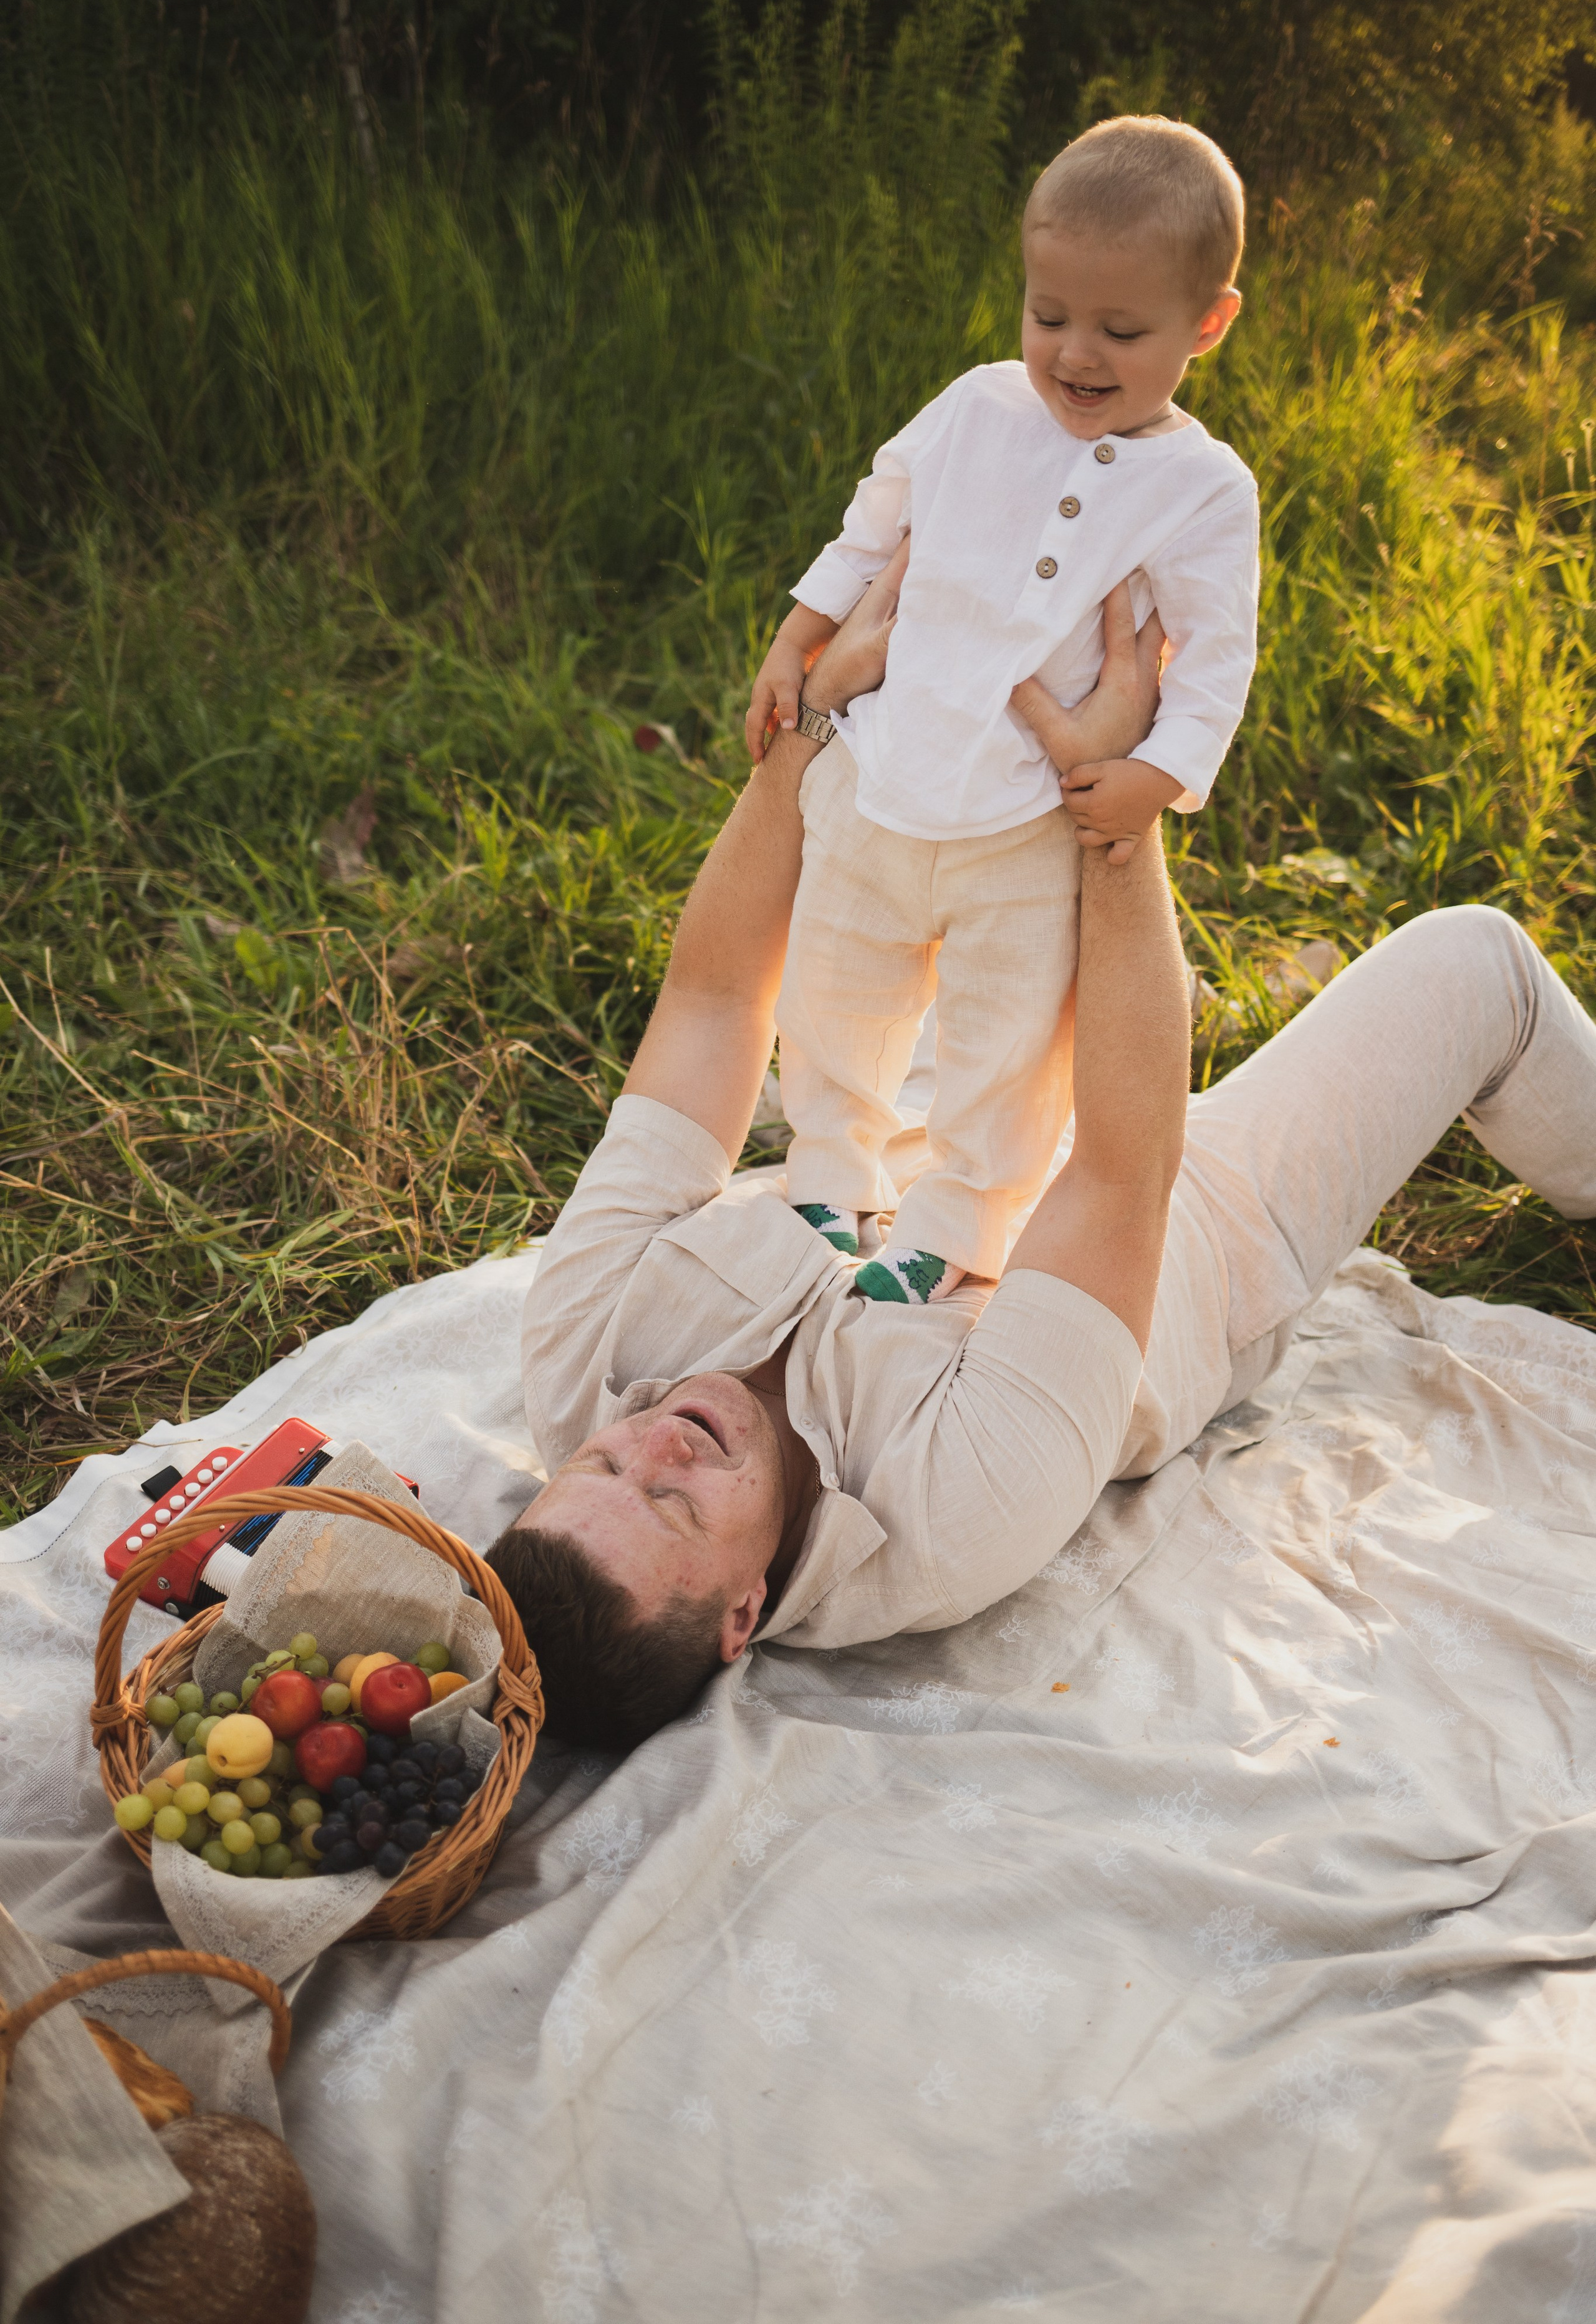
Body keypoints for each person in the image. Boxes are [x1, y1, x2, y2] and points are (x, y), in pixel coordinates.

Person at [486, 552, 1596, 1749]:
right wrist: (1114, 806)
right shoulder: (949, 1514)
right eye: (674, 1504)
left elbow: (708, 1008)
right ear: (743, 1614)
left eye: (600, 1470)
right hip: (1181, 1235)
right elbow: (1121, 1166)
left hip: (905, 1128)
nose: (656, 1440)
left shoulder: (575, 1362)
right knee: (1477, 963)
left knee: (922, 781)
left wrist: (810, 714)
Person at [745, 115, 1259, 1305]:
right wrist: (798, 635)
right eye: (1048, 315)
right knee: (836, 985)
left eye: (1122, 332)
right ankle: (828, 1165)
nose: (1075, 354)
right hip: (885, 777)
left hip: (1027, 821)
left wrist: (1164, 771)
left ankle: (964, 1213)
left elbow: (1218, 657)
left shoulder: (1203, 490)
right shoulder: (977, 407)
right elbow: (874, 522)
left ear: (1209, 321)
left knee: (1008, 1038)